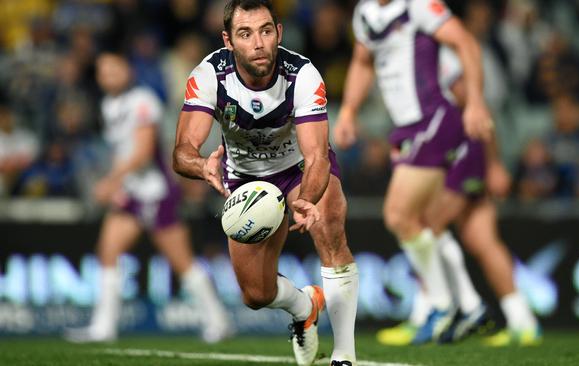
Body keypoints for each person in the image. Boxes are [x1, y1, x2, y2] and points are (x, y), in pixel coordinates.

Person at [335, 0, 537, 346]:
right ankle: (490, 312)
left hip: (447, 133)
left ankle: (444, 308)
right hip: (416, 131)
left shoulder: (421, 13)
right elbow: (362, 60)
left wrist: (492, 160)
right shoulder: (367, 14)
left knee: (408, 218)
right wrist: (349, 109)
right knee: (456, 232)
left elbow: (467, 88)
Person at [172, 1, 358, 365]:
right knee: (256, 294)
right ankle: (304, 307)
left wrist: (306, 199)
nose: (258, 43)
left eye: (266, 31)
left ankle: (344, 355)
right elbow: (182, 151)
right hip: (244, 178)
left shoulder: (303, 74)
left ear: (279, 33)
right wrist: (201, 166)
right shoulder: (209, 74)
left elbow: (318, 155)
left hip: (299, 168)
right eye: (245, 33)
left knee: (330, 224)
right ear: (228, 41)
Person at [377, 46, 541, 346]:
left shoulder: (440, 56)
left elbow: (474, 107)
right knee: (482, 240)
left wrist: (493, 163)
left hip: (463, 151)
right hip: (456, 151)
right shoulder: (409, 52)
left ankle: (441, 310)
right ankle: (522, 320)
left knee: (423, 224)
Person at [64, 52, 232, 343]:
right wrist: (119, 186)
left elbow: (143, 152)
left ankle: (218, 320)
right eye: (103, 72)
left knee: (182, 262)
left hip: (156, 193)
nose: (108, 76)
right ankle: (103, 327)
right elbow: (122, 153)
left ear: (127, 69)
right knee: (107, 251)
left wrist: (110, 181)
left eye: (113, 68)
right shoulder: (109, 105)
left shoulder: (143, 101)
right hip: (131, 193)